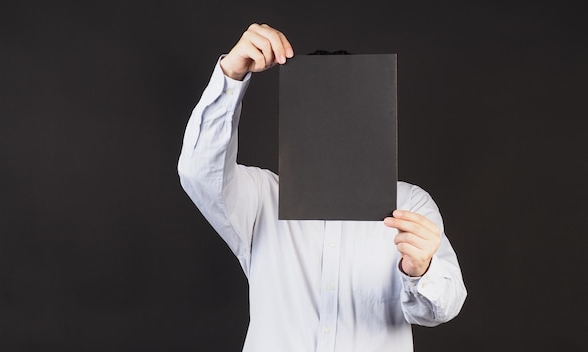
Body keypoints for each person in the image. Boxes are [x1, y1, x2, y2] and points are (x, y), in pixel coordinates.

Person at [177, 23, 467, 352]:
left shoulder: (411, 204)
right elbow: (199, 171)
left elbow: (441, 308)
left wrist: (422, 270)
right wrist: (231, 75)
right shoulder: (262, 198)